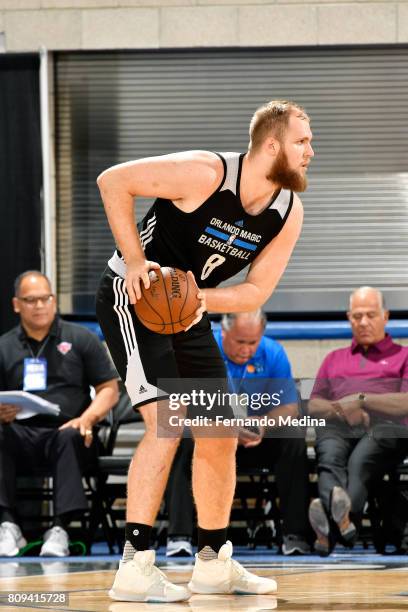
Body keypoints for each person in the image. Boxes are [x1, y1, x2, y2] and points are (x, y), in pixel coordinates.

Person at [96, 99, 314, 603]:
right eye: (303, 141)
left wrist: (198, 297)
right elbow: (113, 180)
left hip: (186, 312)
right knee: (167, 422)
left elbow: (256, 293)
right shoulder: (205, 173)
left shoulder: (287, 211)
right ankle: (135, 564)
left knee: (219, 432)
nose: (310, 151)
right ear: (273, 145)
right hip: (131, 297)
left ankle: (214, 562)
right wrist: (135, 262)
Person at [166, 310, 311, 557]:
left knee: (293, 436)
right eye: (240, 342)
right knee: (183, 436)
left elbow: (288, 406)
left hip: (255, 442)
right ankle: (179, 536)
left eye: (253, 342)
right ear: (224, 332)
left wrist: (263, 425)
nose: (246, 349)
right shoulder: (202, 348)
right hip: (210, 438)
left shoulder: (273, 352)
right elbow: (183, 403)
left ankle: (295, 535)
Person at [0, 271, 119, 557]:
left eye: (45, 298)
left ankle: (60, 528)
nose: (39, 305)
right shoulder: (4, 345)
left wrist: (87, 418)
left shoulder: (80, 338)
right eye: (31, 300)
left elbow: (109, 389)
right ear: (17, 305)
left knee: (68, 436)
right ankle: (7, 525)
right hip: (20, 432)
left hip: (70, 431)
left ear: (53, 300)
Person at [308, 286, 408, 555]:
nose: (363, 322)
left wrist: (362, 400)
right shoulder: (333, 359)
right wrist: (342, 409)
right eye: (357, 316)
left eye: (371, 315)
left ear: (385, 316)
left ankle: (329, 528)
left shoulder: (403, 355)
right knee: (328, 456)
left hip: (386, 430)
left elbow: (406, 402)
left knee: (359, 460)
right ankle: (341, 524)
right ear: (349, 317)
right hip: (340, 426)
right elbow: (313, 404)